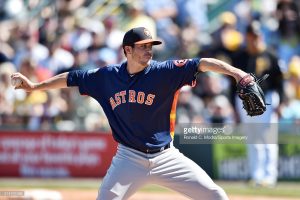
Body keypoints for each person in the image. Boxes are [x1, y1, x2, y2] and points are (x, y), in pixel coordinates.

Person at [11, 27, 251, 200]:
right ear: (127, 49)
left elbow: (202, 63)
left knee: (216, 196)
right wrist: (35, 86)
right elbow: (71, 78)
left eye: (151, 46)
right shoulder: (106, 77)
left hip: (167, 157)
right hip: (128, 159)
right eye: (143, 47)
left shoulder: (164, 72)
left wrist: (239, 74)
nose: (149, 51)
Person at [234, 21, 283, 187]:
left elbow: (280, 82)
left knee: (269, 139)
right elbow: (232, 82)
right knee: (252, 140)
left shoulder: (270, 55)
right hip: (245, 101)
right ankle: (256, 175)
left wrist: (281, 102)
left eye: (257, 35)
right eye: (252, 36)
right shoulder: (240, 56)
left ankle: (269, 177)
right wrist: (233, 105)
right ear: (247, 37)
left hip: (268, 98)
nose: (255, 39)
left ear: (260, 36)